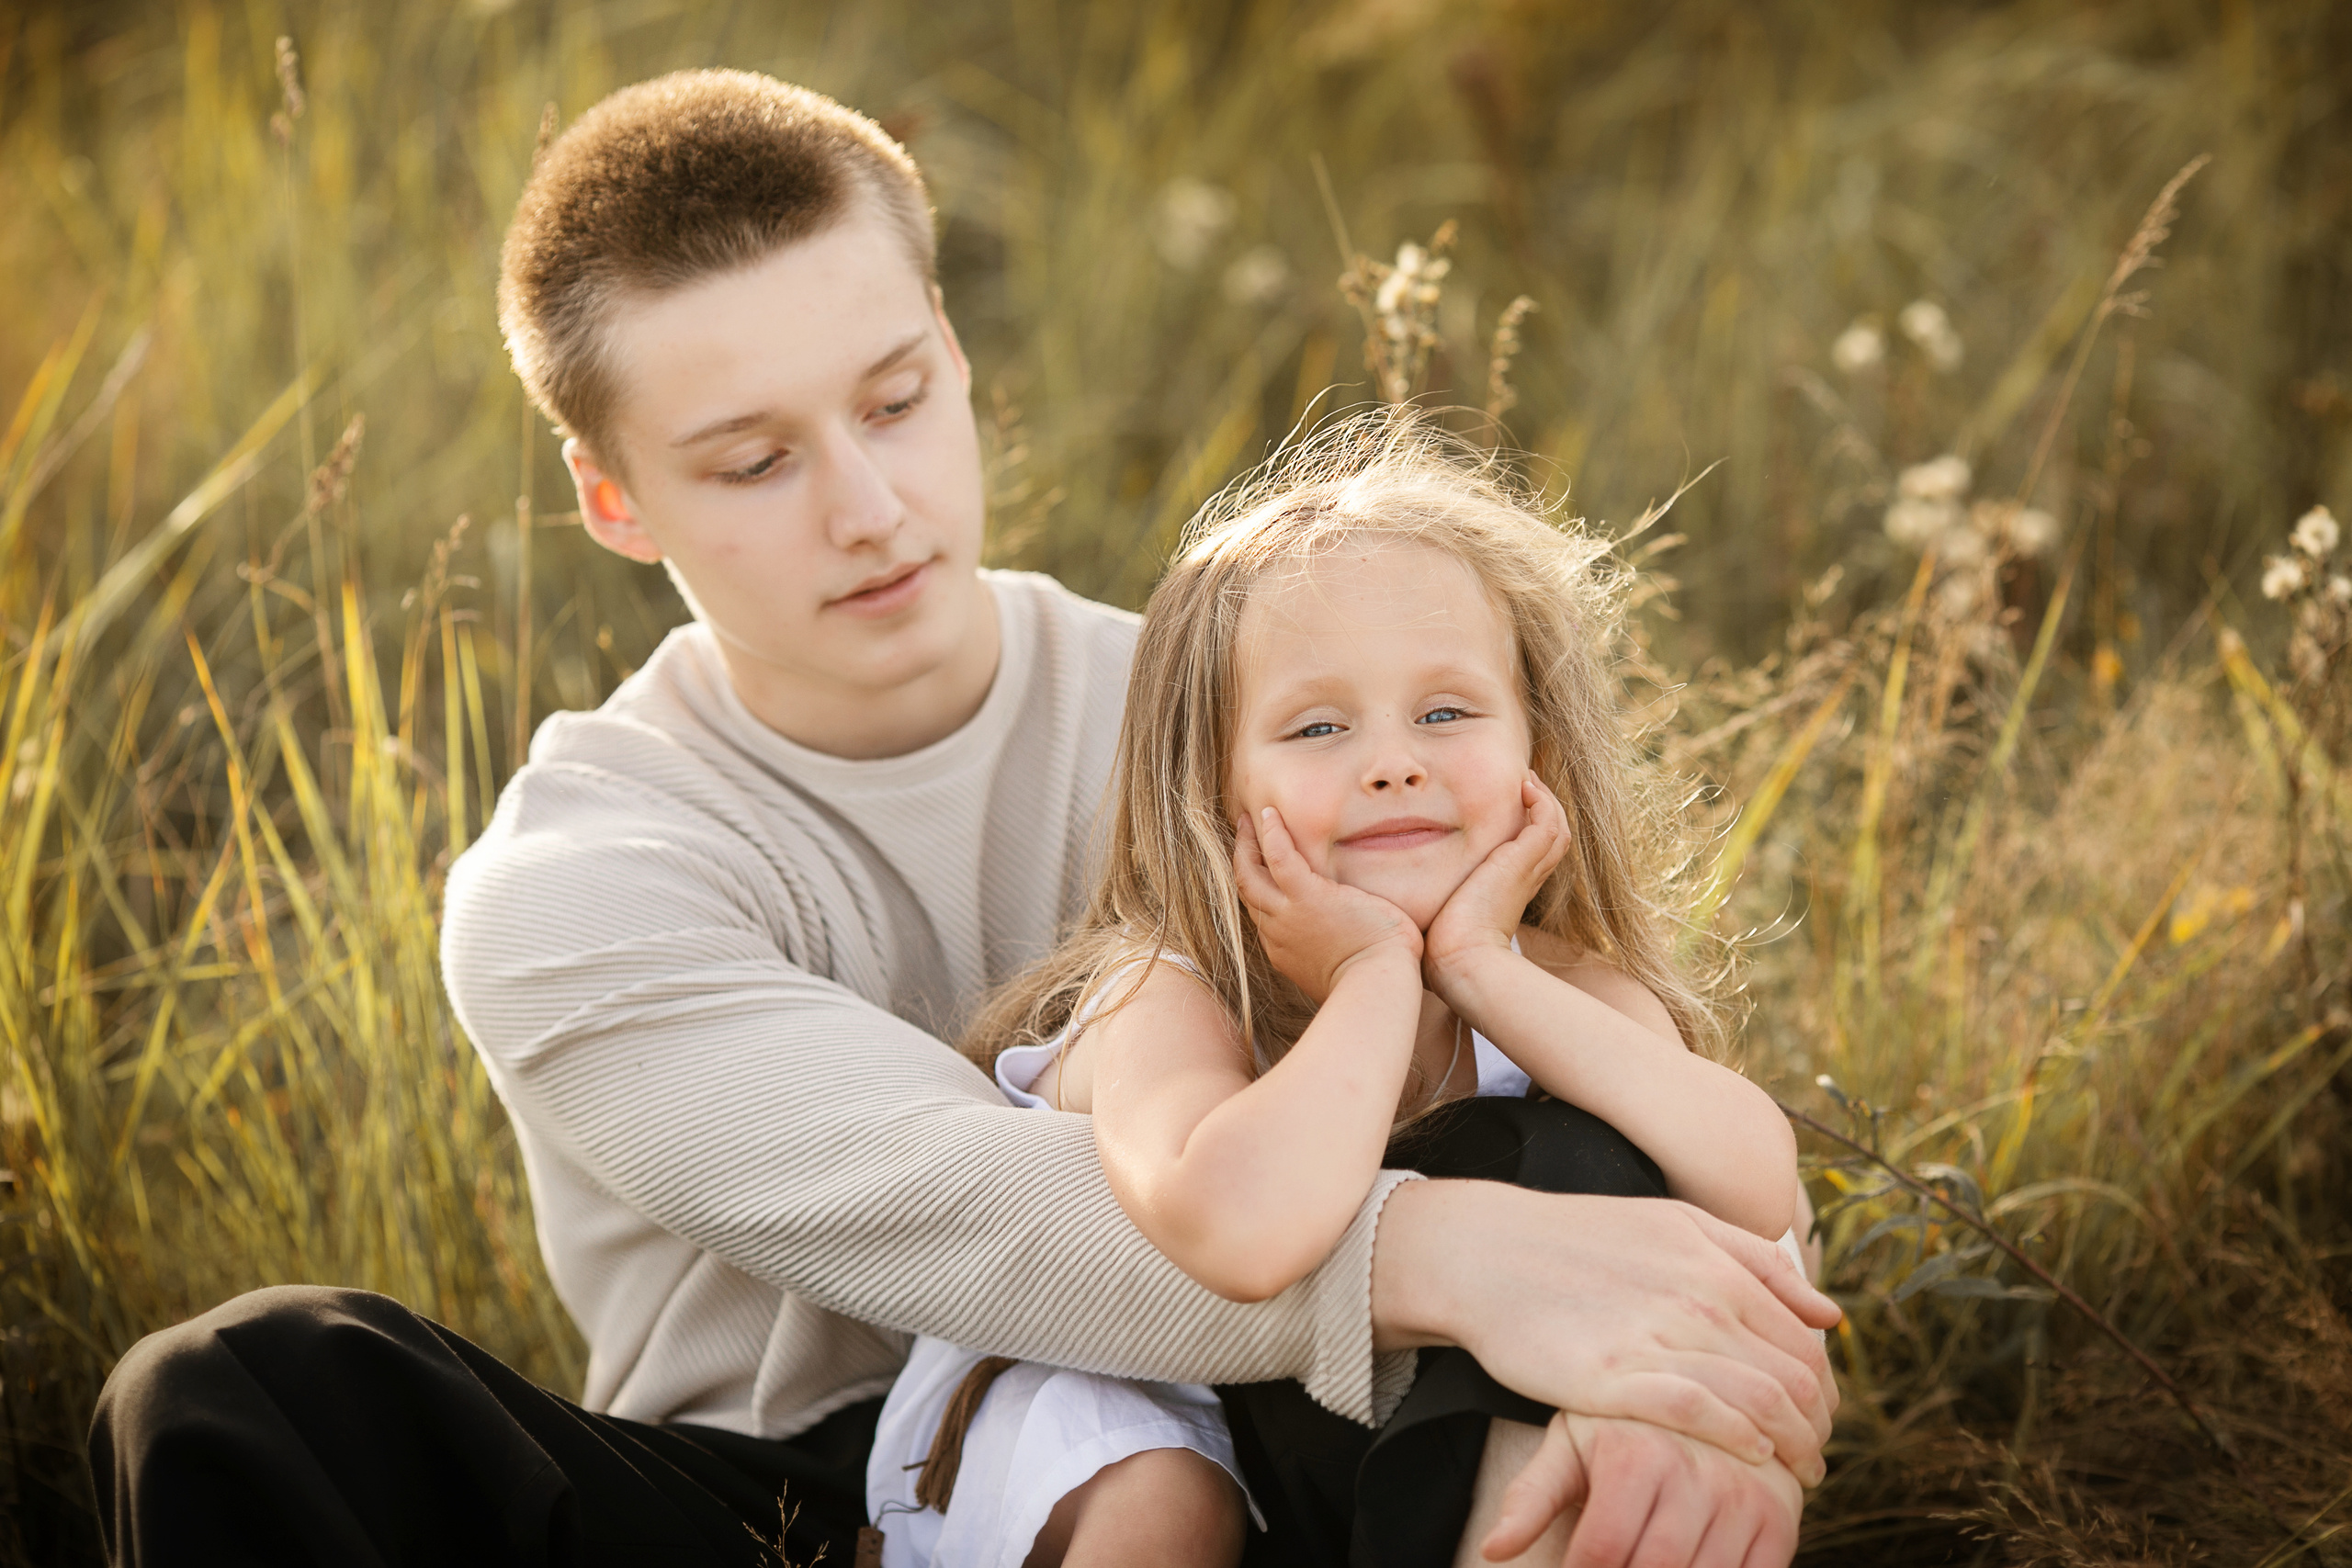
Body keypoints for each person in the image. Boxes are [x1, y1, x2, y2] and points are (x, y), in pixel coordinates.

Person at [85, 69, 1840, 1568]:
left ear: (956, 351)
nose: (869, 507)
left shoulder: (1262, 723)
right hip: (803, 1496)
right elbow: (974, 1207)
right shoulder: (569, 882)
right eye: (755, 460)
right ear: (613, 498)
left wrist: (1719, 1380)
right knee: (242, 1383)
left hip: (1270, 1425)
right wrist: (1491, 1268)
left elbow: (1605, 1055)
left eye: (898, 399)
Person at [863, 414, 1812, 1568]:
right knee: (1165, 1501)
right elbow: (1246, 1232)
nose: (1393, 762)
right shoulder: (1164, 993)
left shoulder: (1558, 986)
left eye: (1448, 714)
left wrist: (1475, 967)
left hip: (1348, 1415)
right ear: (1207, 790)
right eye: (1318, 727)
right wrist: (1371, 973)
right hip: (1107, 1391)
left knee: (1589, 1239)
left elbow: (1753, 1185)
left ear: (1537, 754)